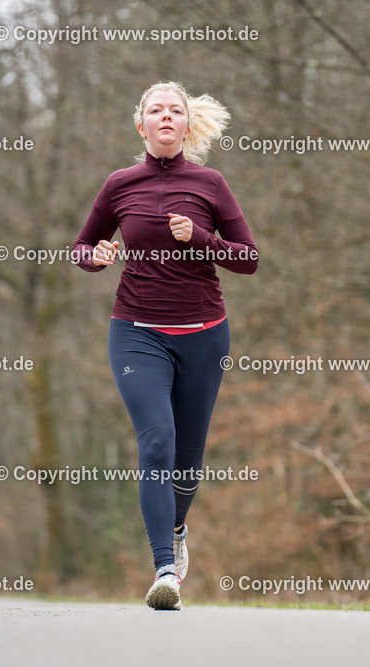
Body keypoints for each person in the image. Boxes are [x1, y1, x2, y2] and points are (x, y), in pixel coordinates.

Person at [72, 81, 258, 609]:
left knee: (188, 460)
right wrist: (95, 258)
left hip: (203, 333)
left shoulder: (210, 183)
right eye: (156, 111)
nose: (167, 117)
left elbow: (248, 258)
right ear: (142, 125)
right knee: (157, 441)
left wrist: (199, 238)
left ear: (187, 125)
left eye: (176, 110)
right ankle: (165, 572)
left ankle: (176, 529)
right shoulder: (119, 184)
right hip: (136, 332)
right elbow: (81, 246)